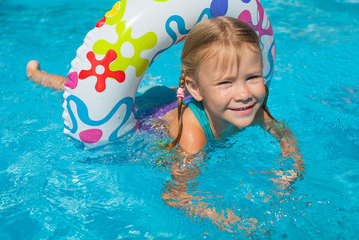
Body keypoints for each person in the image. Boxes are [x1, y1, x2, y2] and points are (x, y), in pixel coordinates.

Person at [27, 16, 304, 233]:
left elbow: (283, 132)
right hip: (149, 115)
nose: (244, 93)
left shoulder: (249, 107)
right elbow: (176, 195)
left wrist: (292, 164)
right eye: (226, 82)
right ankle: (38, 76)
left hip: (176, 96)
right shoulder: (193, 137)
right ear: (197, 88)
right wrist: (228, 220)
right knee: (89, 94)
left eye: (253, 77)